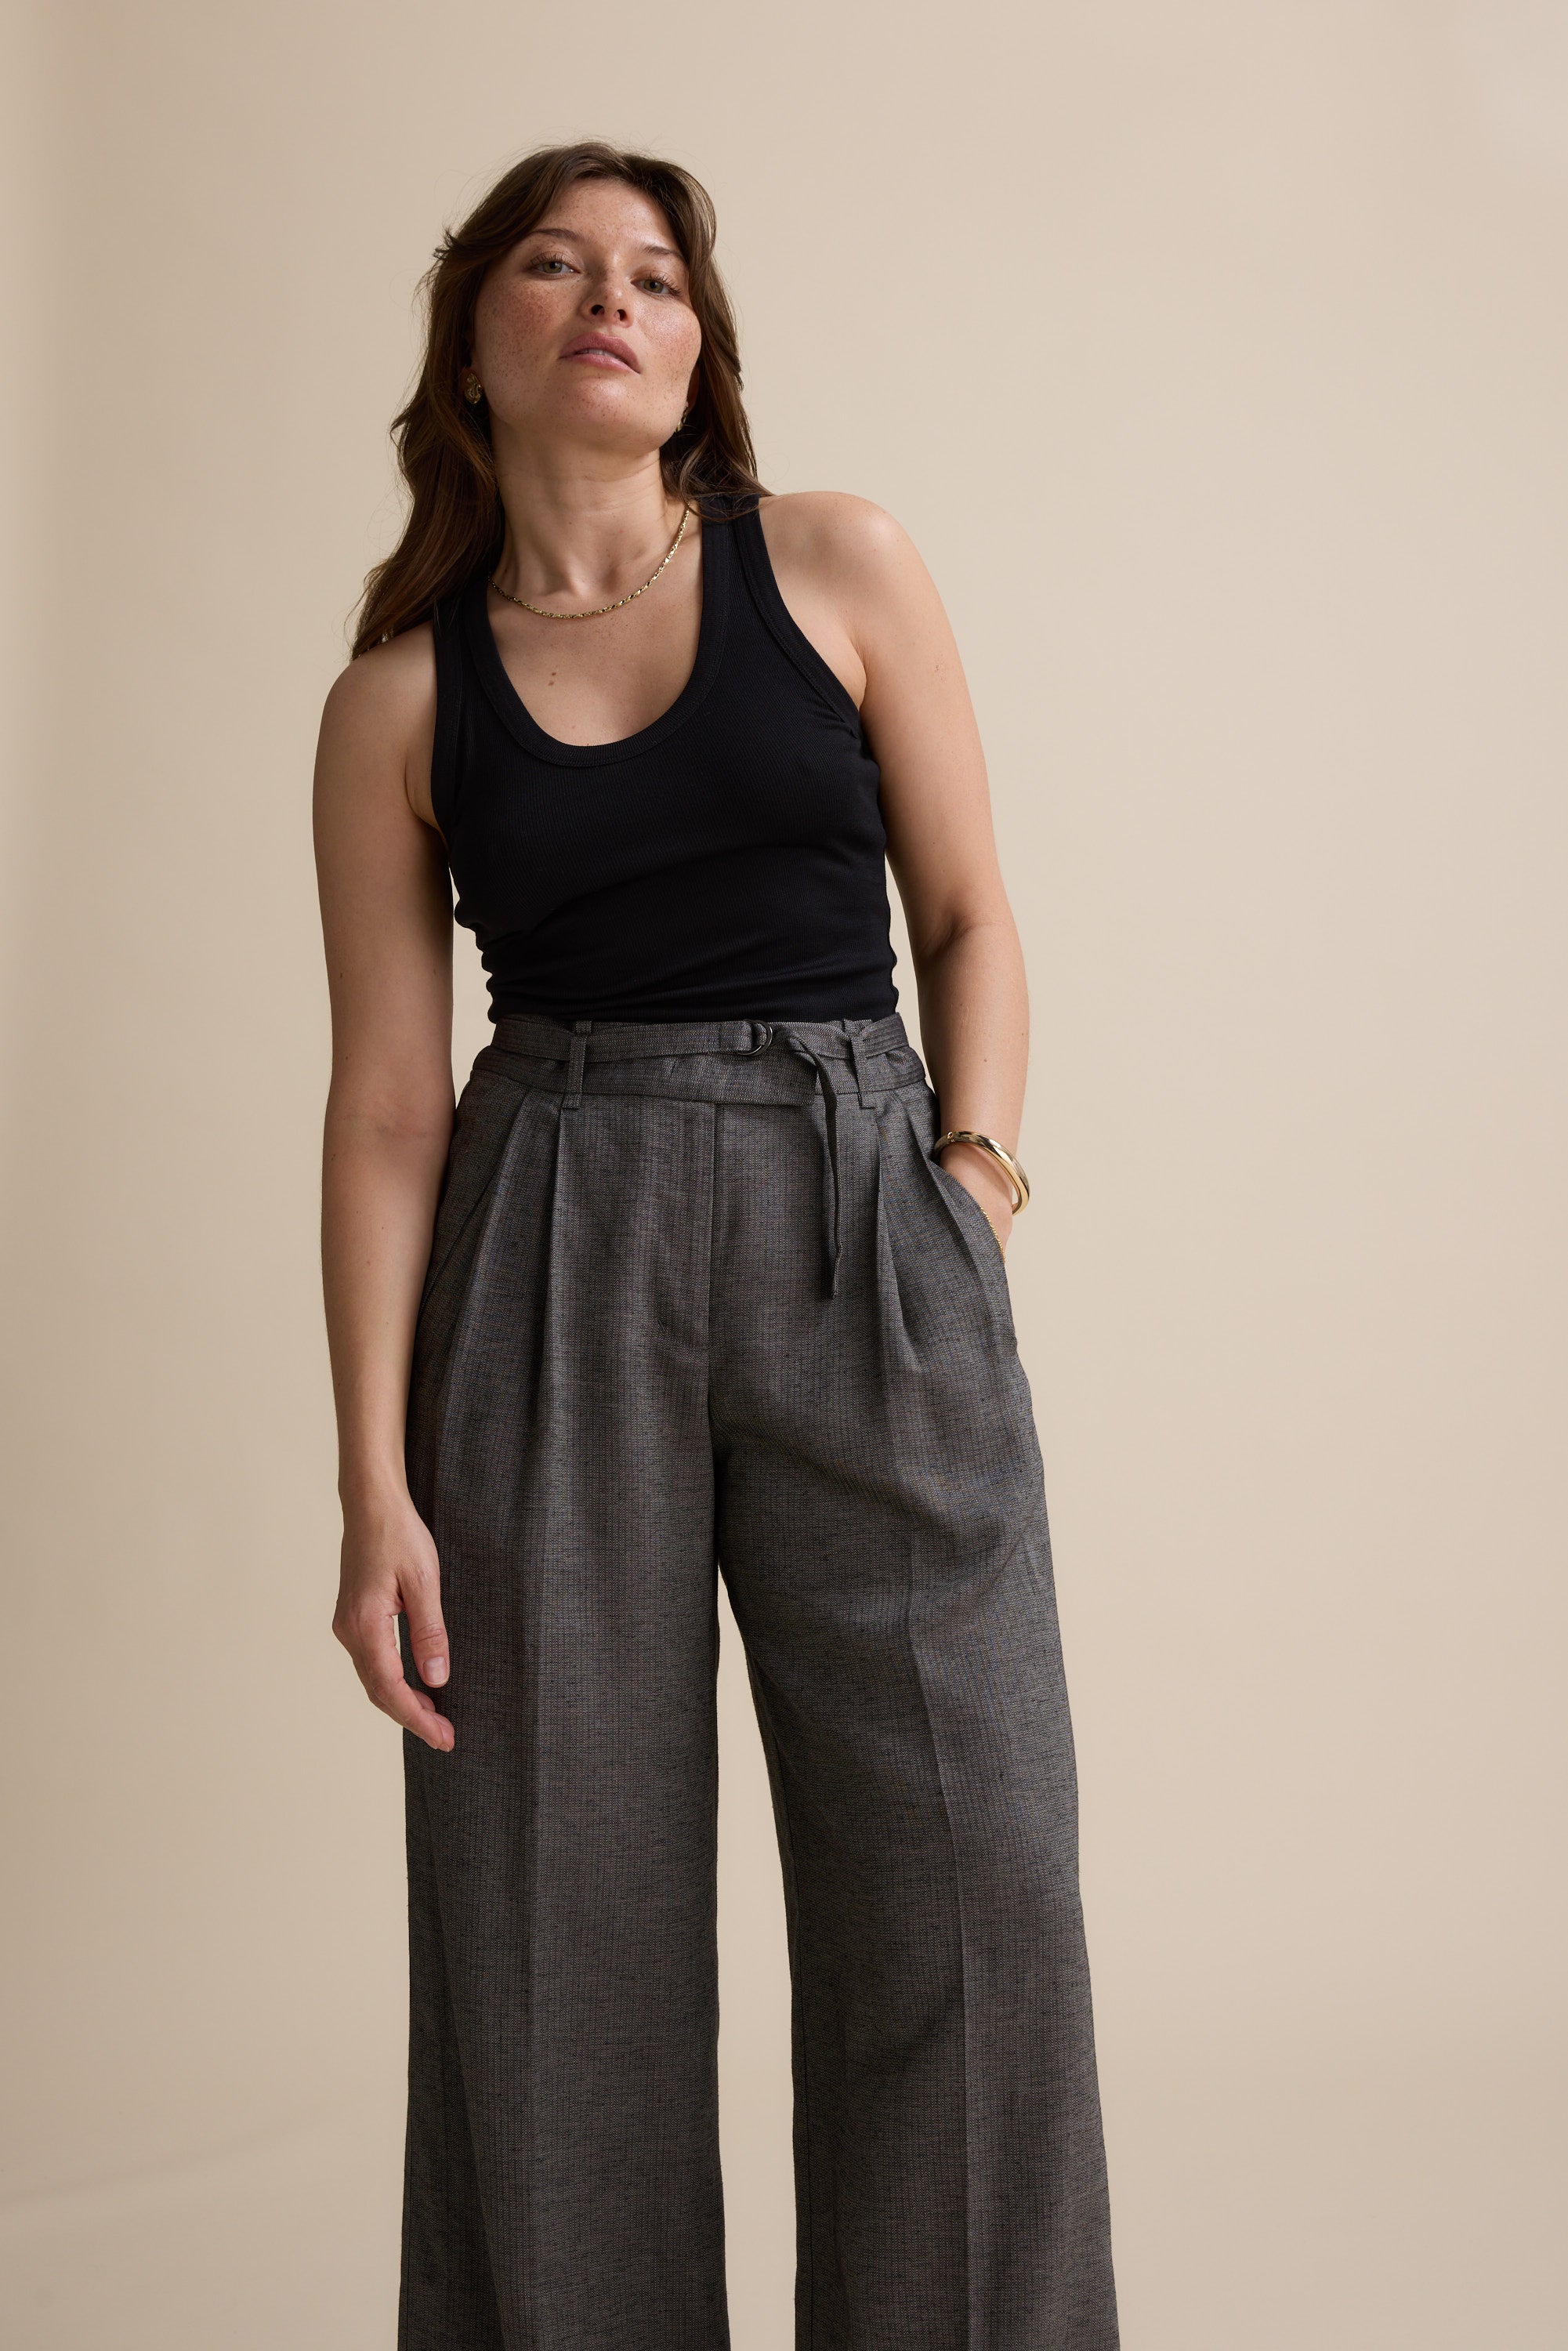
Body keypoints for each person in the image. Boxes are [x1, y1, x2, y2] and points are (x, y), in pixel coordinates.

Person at [312, 138, 1119, 2351]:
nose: (611, 298)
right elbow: (386, 1106)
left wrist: (965, 1190)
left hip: (860, 1209)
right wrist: (376, 1483)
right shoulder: (399, 702)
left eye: (656, 274)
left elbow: (966, 915)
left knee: (968, 1878)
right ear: (472, 339)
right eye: (554, 265)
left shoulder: (833, 561)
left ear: (696, 351)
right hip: (547, 1227)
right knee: (546, 1913)